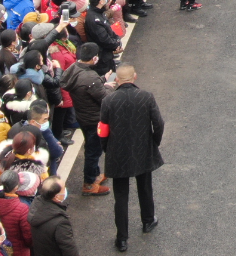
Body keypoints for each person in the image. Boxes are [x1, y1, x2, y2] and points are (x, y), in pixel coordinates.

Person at [99, 64, 163, 252]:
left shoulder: (108, 101)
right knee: (145, 187)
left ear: (117, 80)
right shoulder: (146, 97)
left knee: (120, 196)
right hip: (142, 150)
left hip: (118, 153)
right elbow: (158, 123)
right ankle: (148, 221)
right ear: (134, 76)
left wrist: (106, 148)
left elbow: (103, 129)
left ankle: (122, 238)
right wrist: (154, 142)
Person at [59, 43, 111, 197]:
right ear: (94, 58)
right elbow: (105, 98)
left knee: (90, 146)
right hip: (94, 119)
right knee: (93, 151)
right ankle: (89, 184)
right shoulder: (90, 77)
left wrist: (101, 81)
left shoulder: (73, 69)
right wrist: (108, 86)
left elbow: (86, 87)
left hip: (82, 115)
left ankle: (95, 175)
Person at [27, 177, 78, 256]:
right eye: (63, 189)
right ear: (56, 197)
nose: (65, 191)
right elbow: (69, 249)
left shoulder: (36, 206)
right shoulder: (61, 222)